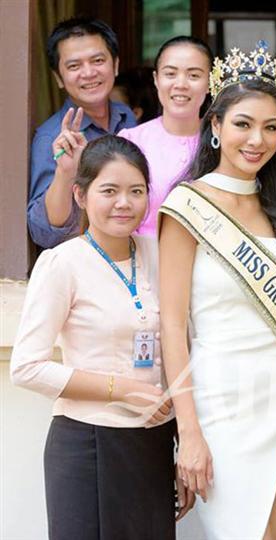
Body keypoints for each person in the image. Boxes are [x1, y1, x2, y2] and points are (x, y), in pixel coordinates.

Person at [158, 42, 276, 540]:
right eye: (243, 124)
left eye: (271, 127)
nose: (258, 139)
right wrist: (186, 432)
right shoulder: (187, 207)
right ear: (214, 127)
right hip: (218, 405)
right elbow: (172, 325)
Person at [11, 135, 193, 539]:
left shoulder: (159, 254)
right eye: (109, 191)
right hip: (87, 444)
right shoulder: (62, 263)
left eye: (136, 191)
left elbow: (179, 348)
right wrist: (120, 389)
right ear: (80, 194)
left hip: (152, 445)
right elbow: (26, 368)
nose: (123, 203)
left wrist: (181, 448)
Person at [28, 17, 137, 248]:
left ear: (115, 65)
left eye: (97, 60)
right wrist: (65, 172)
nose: (88, 73)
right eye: (74, 66)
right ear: (59, 77)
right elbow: (43, 233)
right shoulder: (51, 137)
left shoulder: (126, 117)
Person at [118, 36, 212, 236]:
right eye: (170, 74)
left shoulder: (225, 141)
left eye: (194, 75)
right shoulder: (131, 141)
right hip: (145, 260)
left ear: (210, 82)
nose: (181, 84)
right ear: (156, 79)